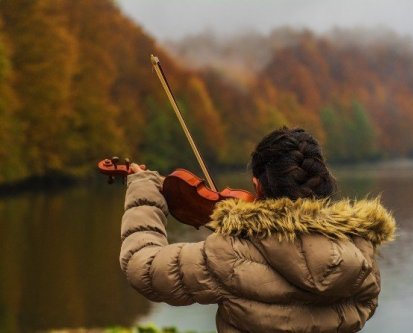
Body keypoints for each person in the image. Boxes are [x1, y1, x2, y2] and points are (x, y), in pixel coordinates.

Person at [120, 127, 396, 332]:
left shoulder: (229, 254)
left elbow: (141, 267)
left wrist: (143, 190)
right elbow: (366, 307)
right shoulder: (361, 251)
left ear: (258, 186)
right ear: (322, 184)